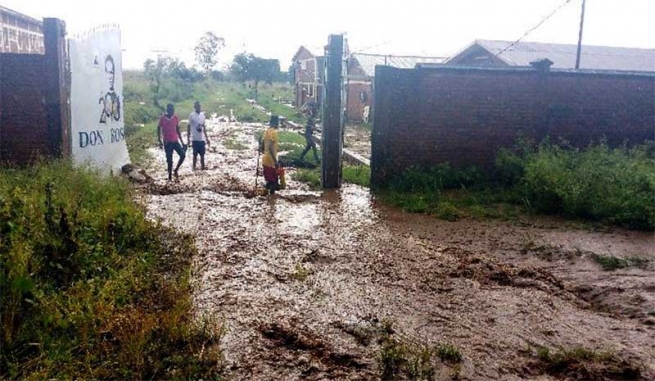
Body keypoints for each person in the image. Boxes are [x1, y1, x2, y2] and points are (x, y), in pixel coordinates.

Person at [157, 103, 186, 181]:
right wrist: (159, 140)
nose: (173, 112)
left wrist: (182, 142)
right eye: (171, 110)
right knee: (169, 160)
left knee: (183, 155)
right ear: (168, 110)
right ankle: (169, 177)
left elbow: (177, 129)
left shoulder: (175, 117)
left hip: (175, 141)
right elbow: (158, 128)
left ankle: (176, 170)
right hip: (167, 142)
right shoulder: (163, 118)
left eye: (173, 110)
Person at [187, 101, 210, 170]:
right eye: (197, 106)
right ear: (195, 107)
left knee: (202, 155)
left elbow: (204, 127)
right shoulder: (192, 115)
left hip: (201, 139)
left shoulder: (202, 115)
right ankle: (193, 168)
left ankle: (202, 168)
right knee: (195, 155)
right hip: (195, 139)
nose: (198, 107)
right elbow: (188, 126)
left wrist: (207, 138)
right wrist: (188, 138)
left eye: (199, 106)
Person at [261, 115, 281, 195]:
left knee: (270, 181)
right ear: (276, 123)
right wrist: (275, 161)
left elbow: (262, 145)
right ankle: (272, 201)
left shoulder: (267, 131)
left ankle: (264, 195)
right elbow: (269, 147)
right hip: (270, 161)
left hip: (265, 159)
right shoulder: (274, 132)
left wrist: (263, 150)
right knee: (273, 182)